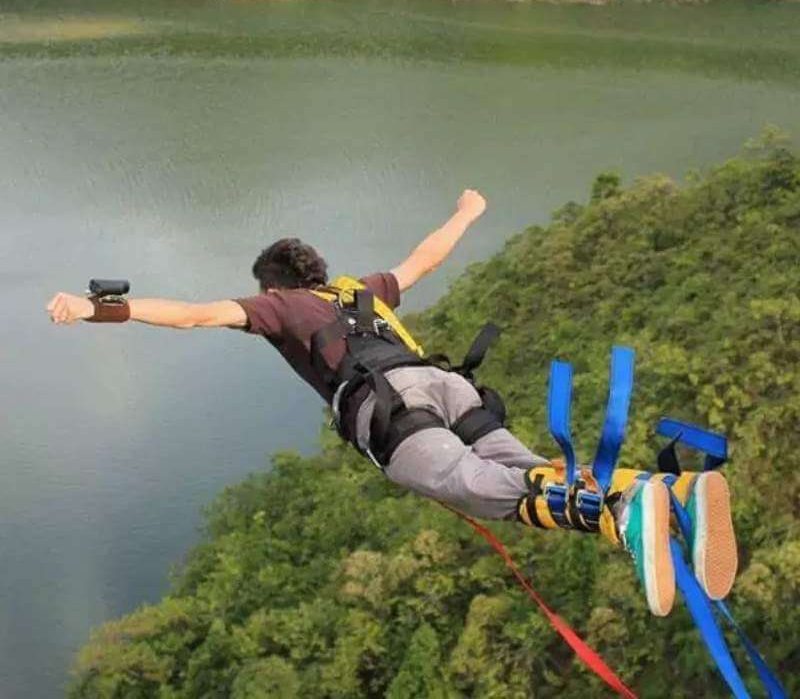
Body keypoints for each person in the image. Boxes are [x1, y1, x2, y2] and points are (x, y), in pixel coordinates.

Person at [47, 189, 737, 617]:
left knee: (468, 485)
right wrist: (469, 211)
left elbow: (195, 314)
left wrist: (98, 310)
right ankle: (660, 492)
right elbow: (426, 258)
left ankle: (617, 511)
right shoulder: (361, 290)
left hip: (391, 408)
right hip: (446, 383)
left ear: (273, 283)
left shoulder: (278, 304)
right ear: (320, 267)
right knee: (520, 470)